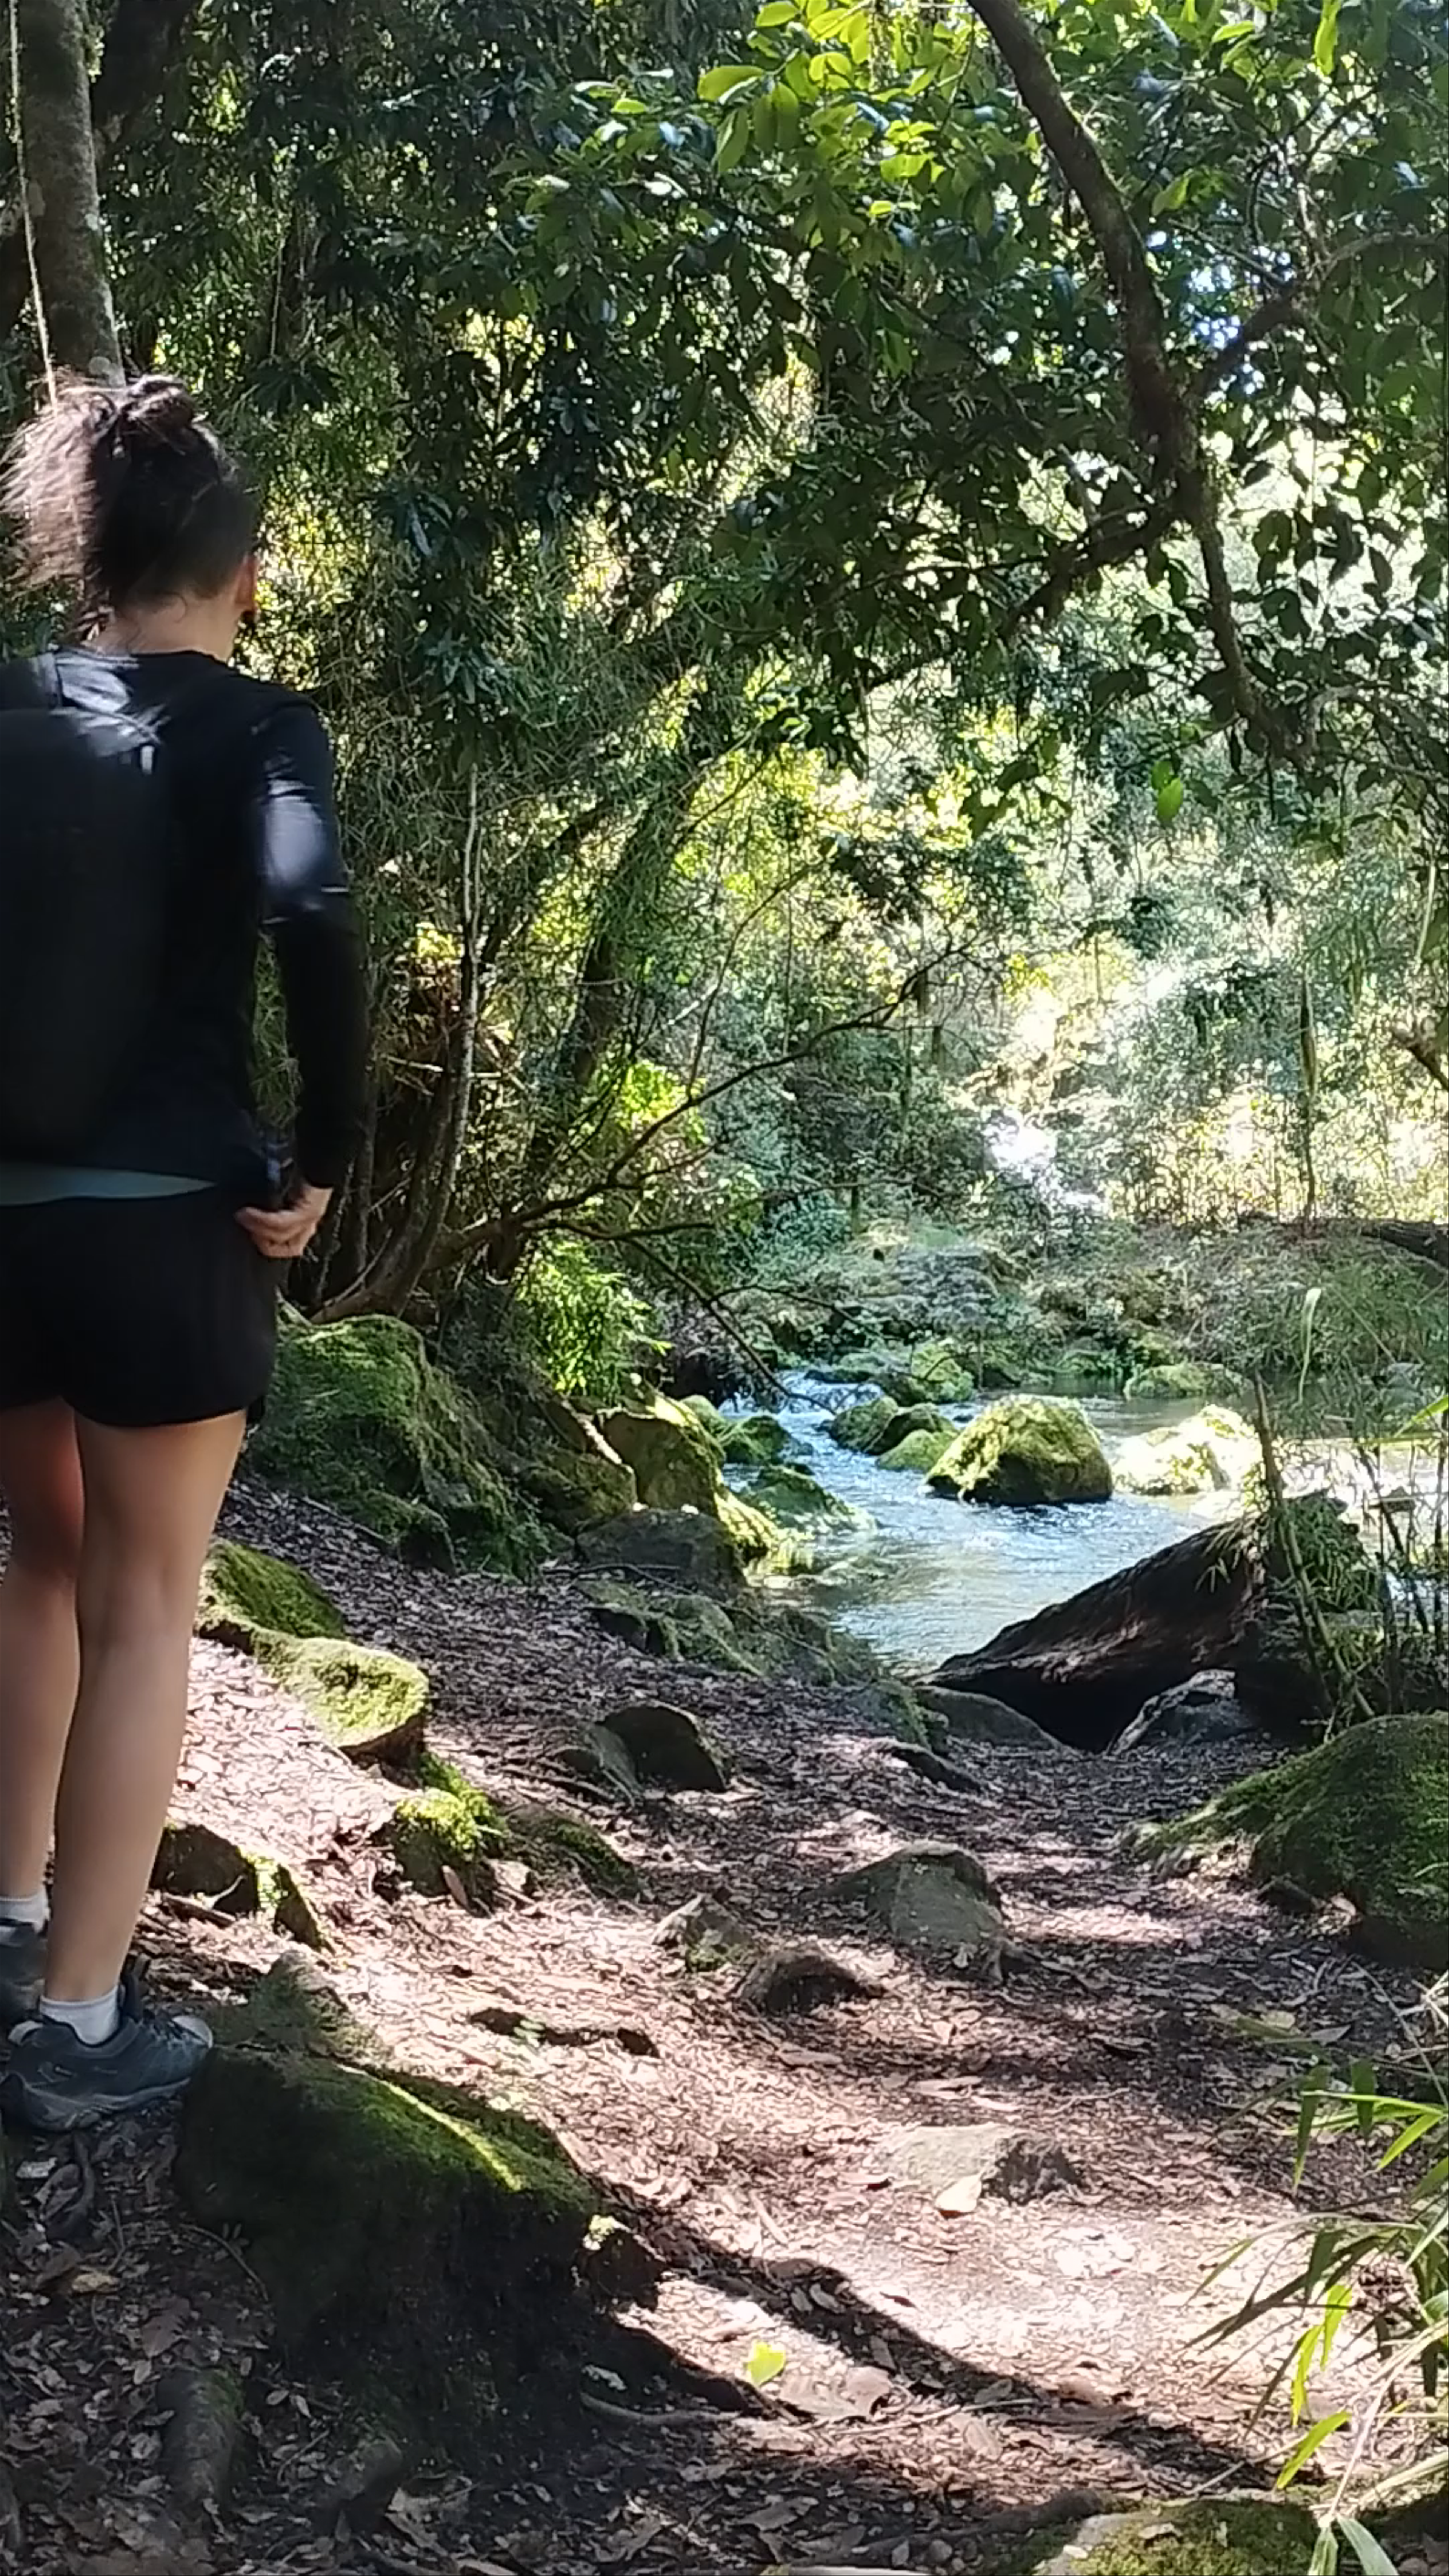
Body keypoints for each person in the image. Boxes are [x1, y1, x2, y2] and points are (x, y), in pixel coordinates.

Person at [0, 377, 368, 2131]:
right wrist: (329, 1154)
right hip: (167, 1230)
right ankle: (77, 2028)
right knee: (148, 1600)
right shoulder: (261, 726)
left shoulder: (5, 710)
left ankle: (11, 1919)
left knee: (39, 1554)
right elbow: (307, 908)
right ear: (241, 575)